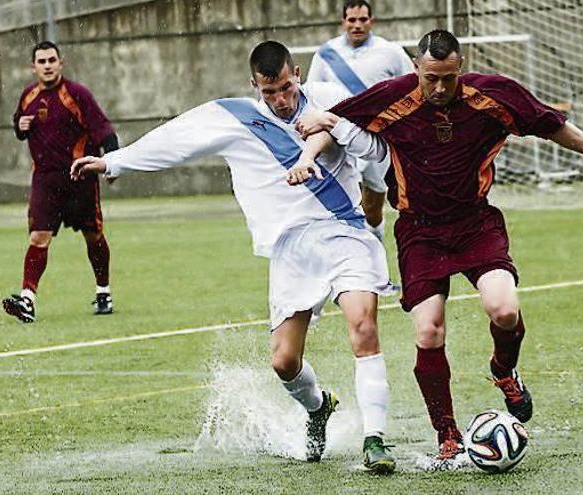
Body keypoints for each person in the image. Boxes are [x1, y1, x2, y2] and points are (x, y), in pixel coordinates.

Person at [291, 29, 583, 461]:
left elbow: (554, 125)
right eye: (430, 78)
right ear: (416, 67)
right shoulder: (392, 96)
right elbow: (335, 123)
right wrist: (308, 156)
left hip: (475, 222)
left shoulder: (493, 94)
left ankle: (504, 370)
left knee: (504, 309)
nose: (439, 88)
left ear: (461, 68)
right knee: (428, 330)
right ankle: (447, 434)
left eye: (448, 78)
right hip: (419, 230)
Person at [70, 41, 397, 474]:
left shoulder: (332, 99)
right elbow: (174, 140)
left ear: (296, 73)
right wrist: (113, 162)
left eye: (286, 88)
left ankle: (375, 440)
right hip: (290, 251)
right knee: (284, 362)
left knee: (362, 323)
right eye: (270, 92)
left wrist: (339, 133)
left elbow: (377, 147)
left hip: (345, 234)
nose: (281, 100)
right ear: (254, 86)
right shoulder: (234, 117)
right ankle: (319, 407)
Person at [2, 41, 120, 323]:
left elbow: (103, 129)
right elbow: (20, 124)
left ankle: (103, 290)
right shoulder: (28, 96)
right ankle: (27, 300)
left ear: (60, 63)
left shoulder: (77, 94)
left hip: (79, 178)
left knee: (93, 236)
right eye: (41, 61)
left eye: (51, 60)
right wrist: (19, 126)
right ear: (33, 67)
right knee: (38, 238)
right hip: (45, 180)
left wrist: (114, 161)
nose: (47, 65)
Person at [306, 0, 414, 241]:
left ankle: (375, 242)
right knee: (346, 206)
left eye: (362, 20)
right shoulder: (325, 54)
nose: (357, 25)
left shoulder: (391, 52)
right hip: (338, 139)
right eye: (352, 20)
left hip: (377, 139)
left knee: (373, 209)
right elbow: (312, 96)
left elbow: (412, 89)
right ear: (343, 21)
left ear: (371, 21)